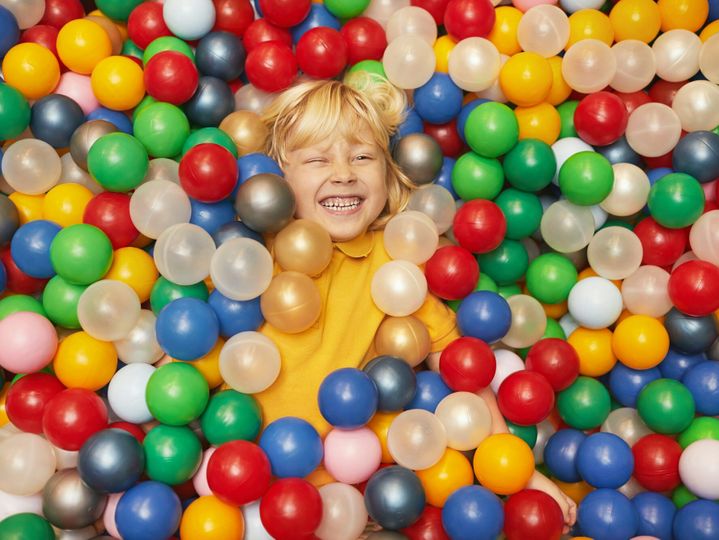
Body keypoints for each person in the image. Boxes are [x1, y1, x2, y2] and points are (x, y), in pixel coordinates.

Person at [254, 72, 577, 529]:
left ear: (389, 173)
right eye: (318, 159)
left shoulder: (395, 256)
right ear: (276, 178)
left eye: (363, 157)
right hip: (241, 478)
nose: (343, 173)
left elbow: (458, 360)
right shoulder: (253, 251)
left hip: (349, 498)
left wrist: (515, 471)